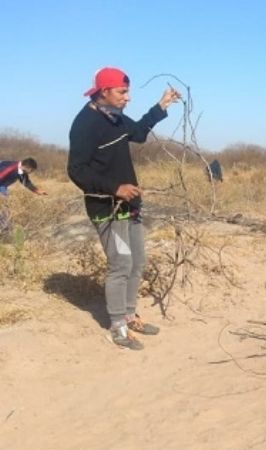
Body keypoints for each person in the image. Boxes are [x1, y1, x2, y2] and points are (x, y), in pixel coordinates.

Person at [68, 67, 181, 350]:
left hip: (129, 204)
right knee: (120, 264)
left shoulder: (115, 118)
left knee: (137, 261)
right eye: (122, 92)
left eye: (127, 92)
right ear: (104, 92)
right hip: (105, 206)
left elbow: (139, 133)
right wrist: (114, 188)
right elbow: (76, 170)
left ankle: (130, 315)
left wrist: (161, 105)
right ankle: (117, 326)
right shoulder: (85, 123)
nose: (127, 98)